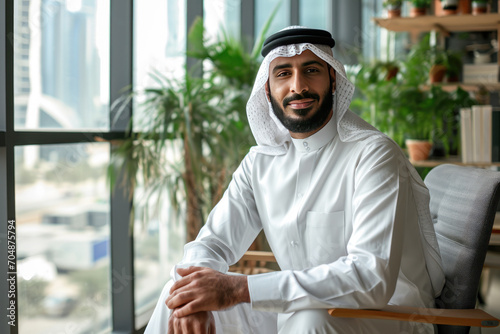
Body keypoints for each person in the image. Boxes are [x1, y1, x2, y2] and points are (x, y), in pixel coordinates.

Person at [144, 26, 445, 334]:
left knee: (309, 320)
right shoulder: (260, 163)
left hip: (393, 315)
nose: (297, 87)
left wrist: (237, 289)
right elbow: (213, 242)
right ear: (267, 89)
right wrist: (193, 298)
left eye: (311, 70)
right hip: (304, 306)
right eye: (283, 73)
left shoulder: (374, 156)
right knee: (176, 294)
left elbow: (371, 279)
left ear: (333, 80)